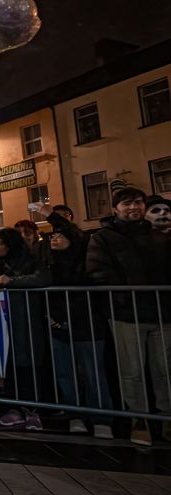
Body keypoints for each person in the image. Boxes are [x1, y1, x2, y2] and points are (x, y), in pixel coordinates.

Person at [86, 186, 171, 446]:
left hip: (163, 313)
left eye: (137, 203)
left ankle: (167, 418)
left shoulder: (161, 236)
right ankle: (139, 419)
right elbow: (97, 271)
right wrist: (124, 297)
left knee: (164, 370)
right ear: (115, 209)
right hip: (127, 314)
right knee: (131, 370)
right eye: (126, 204)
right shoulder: (104, 237)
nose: (133, 208)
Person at [0, 228, 51, 430]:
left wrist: (12, 281)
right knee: (6, 363)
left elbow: (43, 277)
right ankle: (13, 407)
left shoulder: (29, 259)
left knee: (27, 363)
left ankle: (32, 409)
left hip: (23, 318)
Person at [41, 224, 114, 439]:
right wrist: (50, 316)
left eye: (60, 235)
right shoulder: (49, 263)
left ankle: (101, 417)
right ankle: (75, 415)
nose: (55, 239)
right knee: (65, 373)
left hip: (87, 322)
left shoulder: (85, 261)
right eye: (52, 236)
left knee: (93, 373)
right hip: (58, 323)